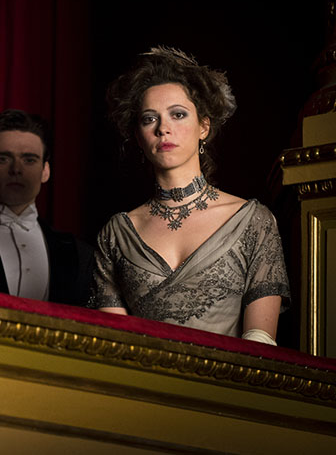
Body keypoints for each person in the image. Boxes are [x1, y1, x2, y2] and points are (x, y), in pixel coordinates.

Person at [92, 47, 290, 344]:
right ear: (138, 138)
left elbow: (260, 346)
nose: (163, 128)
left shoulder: (253, 222)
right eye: (149, 119)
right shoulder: (116, 235)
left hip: (232, 375)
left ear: (204, 127)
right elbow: (115, 348)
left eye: (178, 114)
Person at [0, 109, 94, 304]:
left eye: (29, 160)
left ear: (45, 171)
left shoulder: (80, 254)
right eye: (3, 158)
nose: (16, 169)